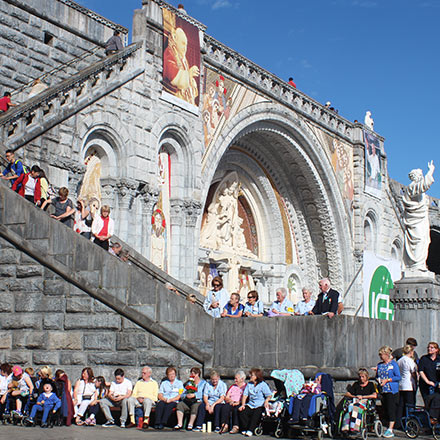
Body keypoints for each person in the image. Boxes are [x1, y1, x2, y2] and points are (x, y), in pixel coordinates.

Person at [402, 161, 435, 272]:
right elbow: (424, 185)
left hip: (421, 219)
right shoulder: (412, 187)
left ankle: (420, 264)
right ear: (416, 177)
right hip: (415, 220)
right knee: (419, 239)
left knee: (425, 240)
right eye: (420, 176)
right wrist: (431, 171)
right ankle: (415, 265)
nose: (421, 177)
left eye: (421, 176)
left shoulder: (418, 190)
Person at [163, 27, 199, 105]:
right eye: (182, 43)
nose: (184, 48)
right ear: (176, 40)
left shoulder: (184, 60)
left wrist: (191, 80)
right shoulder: (170, 52)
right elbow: (173, 75)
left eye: (186, 45)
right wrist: (189, 74)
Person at [341, 368, 377, 432]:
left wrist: (363, 397)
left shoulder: (370, 384)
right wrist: (355, 396)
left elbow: (374, 395)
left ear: (366, 377)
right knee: (349, 408)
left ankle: (354, 427)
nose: (361, 378)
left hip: (365, 402)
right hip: (355, 401)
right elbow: (347, 393)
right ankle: (345, 427)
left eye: (363, 377)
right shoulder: (356, 384)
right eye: (360, 377)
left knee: (356, 408)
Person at [376, 346, 401, 438]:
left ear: (386, 355)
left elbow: (398, 377)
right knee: (385, 408)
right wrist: (378, 380)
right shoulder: (379, 365)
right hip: (383, 390)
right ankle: (386, 426)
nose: (380, 357)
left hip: (391, 390)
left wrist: (388, 380)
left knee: (391, 409)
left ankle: (390, 429)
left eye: (381, 355)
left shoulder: (393, 364)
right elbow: (377, 375)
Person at [239, 368, 272, 437]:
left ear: (256, 377)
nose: (250, 376)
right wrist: (243, 405)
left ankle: (250, 430)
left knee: (256, 413)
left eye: (252, 375)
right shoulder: (249, 384)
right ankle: (245, 428)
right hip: (251, 404)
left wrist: (266, 401)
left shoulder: (263, 385)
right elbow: (245, 395)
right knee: (243, 412)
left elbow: (269, 395)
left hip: (259, 405)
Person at [396, 345, 417, 428]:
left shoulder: (399, 360)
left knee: (401, 405)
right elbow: (413, 372)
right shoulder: (410, 361)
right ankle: (409, 423)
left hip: (401, 384)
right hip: (409, 385)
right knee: (410, 405)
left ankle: (398, 423)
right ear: (411, 352)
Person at [418, 341, 440, 406]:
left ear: (436, 350)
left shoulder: (439, 359)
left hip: (437, 384)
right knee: (428, 402)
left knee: (436, 403)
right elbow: (421, 371)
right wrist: (427, 381)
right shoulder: (424, 358)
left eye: (432, 347)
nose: (429, 349)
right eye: (428, 347)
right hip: (426, 384)